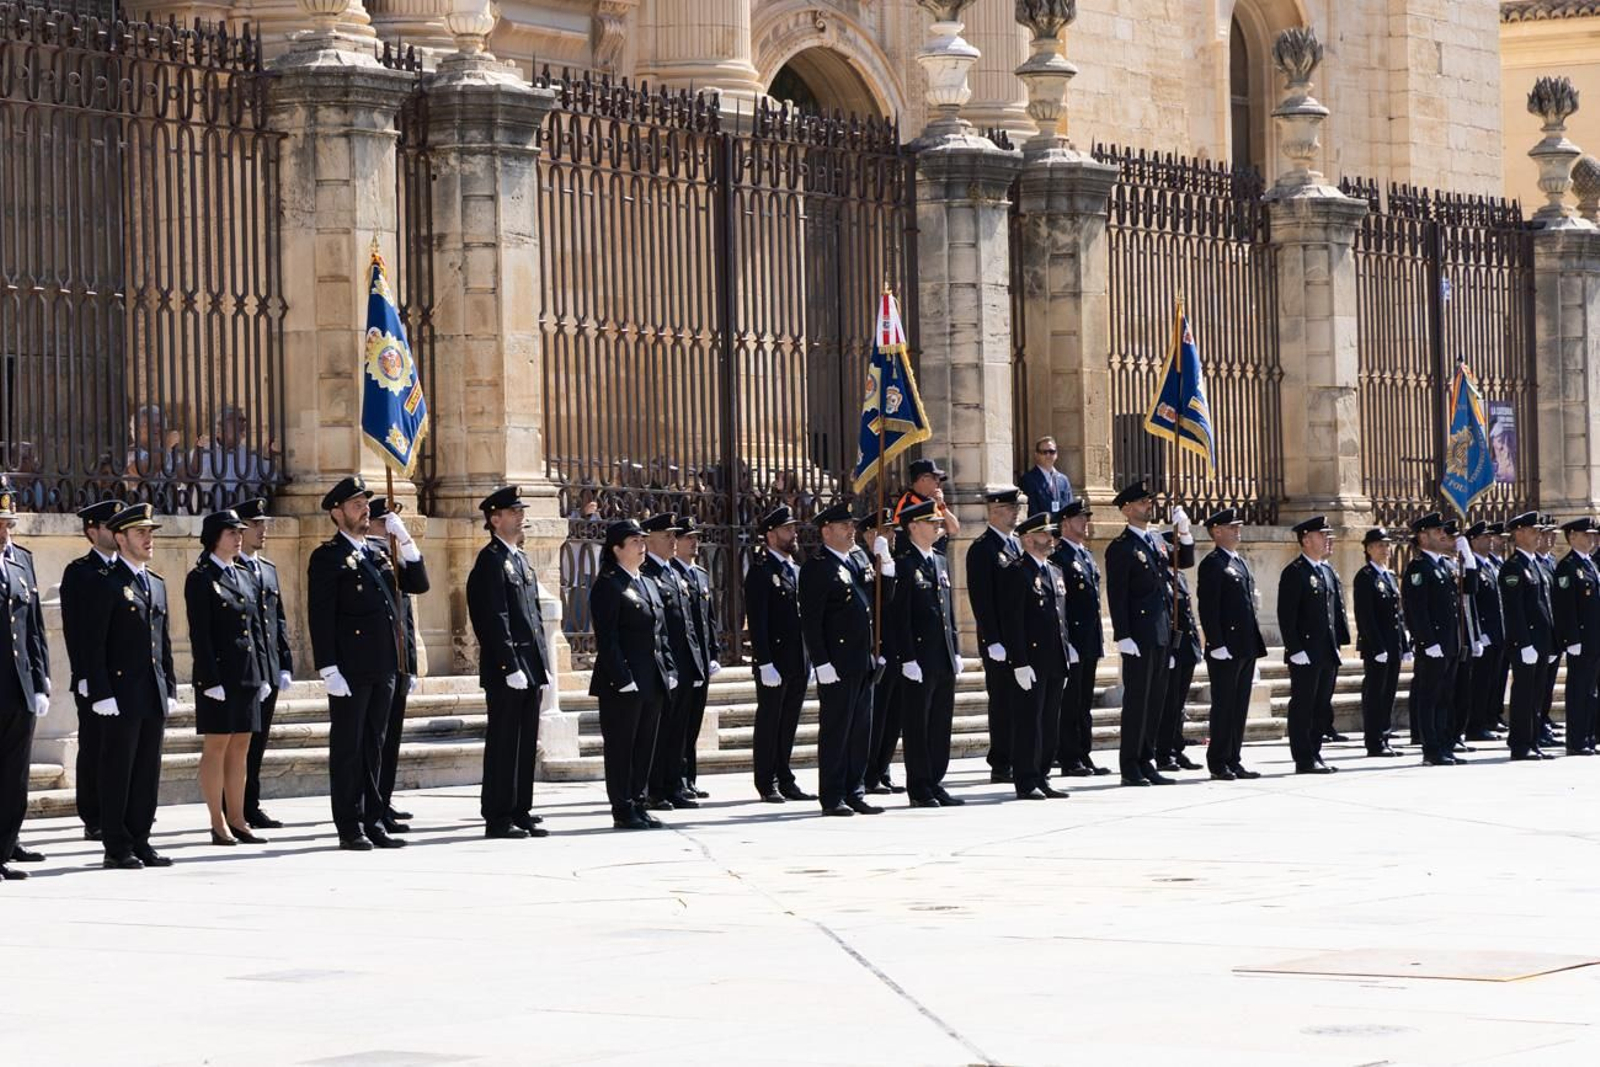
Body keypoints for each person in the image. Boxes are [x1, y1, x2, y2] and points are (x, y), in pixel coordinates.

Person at [306, 475, 428, 851]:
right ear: (336, 512)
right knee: (349, 747)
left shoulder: (379, 551)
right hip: (350, 667)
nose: (363, 511)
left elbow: (418, 584)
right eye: (356, 505)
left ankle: (374, 819)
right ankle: (349, 824)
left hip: (384, 665)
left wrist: (405, 541)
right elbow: (320, 615)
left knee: (375, 744)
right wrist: (328, 667)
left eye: (364, 504)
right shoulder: (327, 557)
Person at [83, 503, 178, 869]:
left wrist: (168, 684)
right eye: (141, 533)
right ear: (120, 538)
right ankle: (116, 845)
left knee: (146, 770)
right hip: (120, 694)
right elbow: (95, 644)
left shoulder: (155, 582)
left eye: (150, 532)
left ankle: (141, 838)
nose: (148, 539)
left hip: (150, 690)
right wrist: (101, 691)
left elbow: (162, 641)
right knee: (118, 770)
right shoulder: (106, 583)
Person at [467, 485, 553, 839]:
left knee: (525, 741)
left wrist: (540, 661)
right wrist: (509, 664)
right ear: (494, 518)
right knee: (504, 742)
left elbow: (531, 616)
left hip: (528, 664)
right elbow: (492, 618)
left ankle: (521, 808)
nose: (520, 516)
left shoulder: (519, 559)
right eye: (513, 512)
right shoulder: (490, 561)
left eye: (521, 511)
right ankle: (498, 815)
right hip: (508, 668)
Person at [186, 509, 273, 846]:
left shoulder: (244, 574)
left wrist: (263, 673)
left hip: (247, 673)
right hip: (219, 676)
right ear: (213, 538)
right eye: (230, 533)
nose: (238, 538)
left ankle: (238, 818)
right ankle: (216, 820)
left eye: (240, 532)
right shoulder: (201, 577)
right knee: (217, 745)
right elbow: (201, 634)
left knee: (242, 746)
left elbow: (254, 628)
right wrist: (210, 680)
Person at [589, 518, 675, 830]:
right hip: (622, 683)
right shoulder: (608, 584)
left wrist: (669, 668)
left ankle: (639, 800)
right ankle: (622, 806)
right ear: (617, 549)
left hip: (651, 678)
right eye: (635, 542)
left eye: (643, 541)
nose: (642, 546)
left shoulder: (647, 582)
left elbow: (661, 632)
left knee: (644, 745)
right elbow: (607, 639)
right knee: (621, 746)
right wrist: (623, 677)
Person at [800, 502, 881, 817]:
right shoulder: (817, 567)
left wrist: (884, 564)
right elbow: (811, 619)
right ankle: (833, 795)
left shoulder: (859, 560)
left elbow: (879, 602)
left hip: (862, 659)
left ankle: (855, 789)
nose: (852, 530)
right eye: (845, 526)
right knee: (837, 729)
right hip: (836, 662)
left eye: (853, 525)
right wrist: (821, 661)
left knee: (861, 729)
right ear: (826, 531)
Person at [888, 500, 964, 808]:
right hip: (918, 658)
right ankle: (919, 786)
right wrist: (907, 657)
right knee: (918, 726)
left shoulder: (941, 560)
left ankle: (935, 779)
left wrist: (956, 648)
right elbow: (899, 616)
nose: (937, 526)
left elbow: (949, 612)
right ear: (913, 527)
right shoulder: (904, 565)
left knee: (940, 724)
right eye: (930, 522)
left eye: (937, 522)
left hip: (941, 655)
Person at [999, 511, 1075, 800]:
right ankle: (1026, 779)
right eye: (1044, 534)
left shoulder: (1054, 571)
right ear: (1028, 539)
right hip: (1030, 660)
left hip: (1055, 657)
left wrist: (1066, 655)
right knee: (1029, 722)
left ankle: (1042, 775)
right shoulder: (1017, 572)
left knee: (1049, 721)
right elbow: (1013, 621)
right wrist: (1019, 662)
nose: (1051, 538)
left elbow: (1060, 618)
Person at [60, 498, 123, 841]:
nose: (116, 533)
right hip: (94, 677)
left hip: (124, 676)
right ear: (92, 530)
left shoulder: (126, 570)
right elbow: (76, 628)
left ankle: (118, 809)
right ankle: (93, 813)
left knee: (120, 748)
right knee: (94, 746)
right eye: (109, 527)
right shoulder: (80, 571)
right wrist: (83, 674)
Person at [1104, 480, 1174, 786]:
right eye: (1143, 502)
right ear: (1127, 509)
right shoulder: (1121, 548)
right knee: (1137, 703)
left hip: (1160, 631)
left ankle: (1147, 759)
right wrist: (1123, 635)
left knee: (1155, 701)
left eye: (1149, 501)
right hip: (1139, 634)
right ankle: (1130, 765)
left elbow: (1180, 563)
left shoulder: (1156, 541)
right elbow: (1117, 595)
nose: (1149, 506)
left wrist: (1183, 535)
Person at [369, 496, 431, 834]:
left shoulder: (396, 557)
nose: (390, 528)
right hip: (377, 663)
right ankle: (372, 801)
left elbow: (419, 587)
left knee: (391, 738)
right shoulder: (370, 558)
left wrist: (406, 542)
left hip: (399, 660)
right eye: (386, 523)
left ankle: (385, 798)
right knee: (376, 738)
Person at [745, 506, 813, 803]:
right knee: (770, 721)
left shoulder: (795, 570)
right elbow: (757, 621)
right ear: (771, 535)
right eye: (787, 529)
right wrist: (765, 662)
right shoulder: (761, 571)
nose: (793, 534)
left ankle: (785, 776)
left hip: (798, 658)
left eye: (794, 528)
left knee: (789, 723)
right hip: (774, 661)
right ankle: (766, 781)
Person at [0, 478, 50, 880]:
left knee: (15, 772)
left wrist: (41, 680)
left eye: (8, 524)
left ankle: (6, 842)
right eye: (0, 524)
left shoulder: (21, 562)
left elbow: (33, 627)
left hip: (18, 687)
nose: (5, 532)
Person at [235, 497, 294, 830]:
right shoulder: (234, 569)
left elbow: (278, 620)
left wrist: (284, 662)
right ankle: (236, 805)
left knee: (259, 742)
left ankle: (251, 803)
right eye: (257, 525)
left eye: (264, 524)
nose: (263, 530)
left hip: (269, 667)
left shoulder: (267, 569)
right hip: (247, 669)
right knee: (242, 741)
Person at [640, 514, 706, 810]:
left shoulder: (674, 574)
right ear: (650, 539)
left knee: (678, 730)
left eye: (672, 535)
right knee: (662, 730)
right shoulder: (648, 573)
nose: (672, 540)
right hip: (665, 664)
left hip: (682, 663)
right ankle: (656, 789)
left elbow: (689, 623)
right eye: (666, 535)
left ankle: (673, 784)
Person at [1197, 508, 1267, 780]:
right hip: (1225, 645)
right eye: (1231, 527)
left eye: (1238, 526)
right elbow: (1209, 607)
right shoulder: (1212, 563)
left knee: (1239, 706)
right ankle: (1218, 761)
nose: (1238, 530)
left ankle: (1234, 758)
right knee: (1224, 705)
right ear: (1216, 531)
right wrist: (1216, 642)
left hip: (1245, 644)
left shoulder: (1240, 562)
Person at [1277, 515, 1350, 774]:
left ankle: (1316, 752)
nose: (1327, 538)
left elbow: (1335, 613)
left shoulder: (1327, 570)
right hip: (1305, 652)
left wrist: (1339, 642)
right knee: (1303, 706)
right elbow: (1287, 616)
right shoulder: (1295, 572)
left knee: (1321, 706)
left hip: (1326, 650)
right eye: (1322, 535)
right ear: (1306, 540)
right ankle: (1304, 758)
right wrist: (1295, 649)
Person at [1402, 512, 1475, 767]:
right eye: (1437, 532)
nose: (1443, 536)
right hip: (1433, 646)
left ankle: (1444, 744)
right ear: (1423, 536)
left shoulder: (1443, 565)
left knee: (1446, 697)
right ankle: (1431, 749)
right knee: (1430, 697)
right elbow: (1416, 610)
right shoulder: (1418, 568)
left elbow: (1469, 590)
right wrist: (1426, 641)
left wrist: (1469, 560)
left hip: (1449, 644)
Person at [967, 487, 1023, 783]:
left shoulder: (1017, 545)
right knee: (1002, 701)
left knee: (1020, 699)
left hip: (1019, 637)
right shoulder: (983, 548)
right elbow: (981, 599)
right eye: (1010, 508)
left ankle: (1019, 754)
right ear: (994, 511)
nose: (1016, 512)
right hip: (999, 639)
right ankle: (1001, 762)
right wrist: (993, 639)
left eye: (1016, 508)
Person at [1051, 499, 1109, 777]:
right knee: (1070, 703)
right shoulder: (1059, 556)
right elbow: (1060, 604)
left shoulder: (1085, 555)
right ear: (1065, 523)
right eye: (1079, 518)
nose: (1085, 522)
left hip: (1088, 639)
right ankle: (1069, 756)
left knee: (1084, 703)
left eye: (1086, 517)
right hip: (1072, 640)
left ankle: (1084, 754)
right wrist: (1066, 642)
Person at [1498, 512, 1555, 761]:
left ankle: (1532, 740)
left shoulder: (1536, 565)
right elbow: (1514, 611)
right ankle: (1520, 744)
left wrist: (1551, 642)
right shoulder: (1513, 567)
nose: (1538, 536)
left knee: (1537, 695)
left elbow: (1546, 607)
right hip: (1526, 644)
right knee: (1523, 695)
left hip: (1541, 642)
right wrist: (1524, 643)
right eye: (1533, 531)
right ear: (1518, 533)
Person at [673, 516, 722, 800]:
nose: (694, 543)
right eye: (688, 538)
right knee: (679, 724)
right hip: (683, 660)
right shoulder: (673, 575)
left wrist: (713, 652)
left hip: (701, 660)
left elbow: (708, 619)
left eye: (696, 537)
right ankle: (678, 778)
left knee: (693, 723)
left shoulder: (700, 574)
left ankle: (689, 777)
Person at [858, 508, 902, 796]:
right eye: (885, 530)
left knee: (892, 717)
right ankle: (869, 772)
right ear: (870, 535)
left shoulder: (892, 562)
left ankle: (882, 768)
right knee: (876, 717)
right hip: (878, 648)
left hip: (897, 649)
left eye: (892, 530)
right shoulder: (864, 565)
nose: (892, 535)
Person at [1352, 527, 1407, 758]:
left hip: (1392, 645)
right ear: (1368, 549)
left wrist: (1403, 645)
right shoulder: (1366, 577)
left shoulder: (1390, 576)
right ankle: (1374, 741)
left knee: (1388, 694)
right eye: (1380, 545)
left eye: (1387, 545)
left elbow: (1398, 614)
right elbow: (1366, 616)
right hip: (1377, 647)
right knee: (1375, 694)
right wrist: (1377, 646)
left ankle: (1384, 736)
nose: (1386, 549)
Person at [1153, 524, 1200, 773]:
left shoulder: (1178, 576)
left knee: (1179, 703)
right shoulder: (1162, 578)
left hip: (1186, 647)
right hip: (1172, 647)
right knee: (1168, 703)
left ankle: (1176, 746)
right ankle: (1164, 752)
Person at [1552, 517, 1600, 757]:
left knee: (1591, 691)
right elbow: (1565, 608)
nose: (1591, 538)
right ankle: (1576, 740)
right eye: (1585, 534)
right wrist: (1571, 640)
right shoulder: (1568, 566)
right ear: (1571, 537)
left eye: (1592, 534)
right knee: (1578, 691)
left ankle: (1589, 737)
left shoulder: (1590, 565)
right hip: (1580, 641)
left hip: (1594, 639)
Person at [1465, 521, 1507, 744]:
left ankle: (1488, 719)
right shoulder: (1473, 567)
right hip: (1484, 635)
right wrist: (1479, 633)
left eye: (1490, 537)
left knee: (1491, 681)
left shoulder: (1490, 565)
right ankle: (1476, 725)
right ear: (1473, 541)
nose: (1490, 540)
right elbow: (1472, 602)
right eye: (1484, 537)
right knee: (1480, 683)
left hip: (1497, 633)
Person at [892, 459, 960, 556]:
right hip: (916, 560)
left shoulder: (934, 501)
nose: (938, 482)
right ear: (923, 479)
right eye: (935, 478)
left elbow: (954, 529)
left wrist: (942, 504)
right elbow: (921, 535)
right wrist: (945, 529)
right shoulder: (908, 502)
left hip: (936, 558)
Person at [1018, 435, 1074, 518]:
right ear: (1036, 455)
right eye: (1044, 452)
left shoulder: (1063, 480)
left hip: (1063, 528)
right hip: (1041, 528)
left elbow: (1070, 507)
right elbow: (1032, 510)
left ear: (1056, 454)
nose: (1048, 455)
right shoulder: (1028, 479)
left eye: (1052, 451)